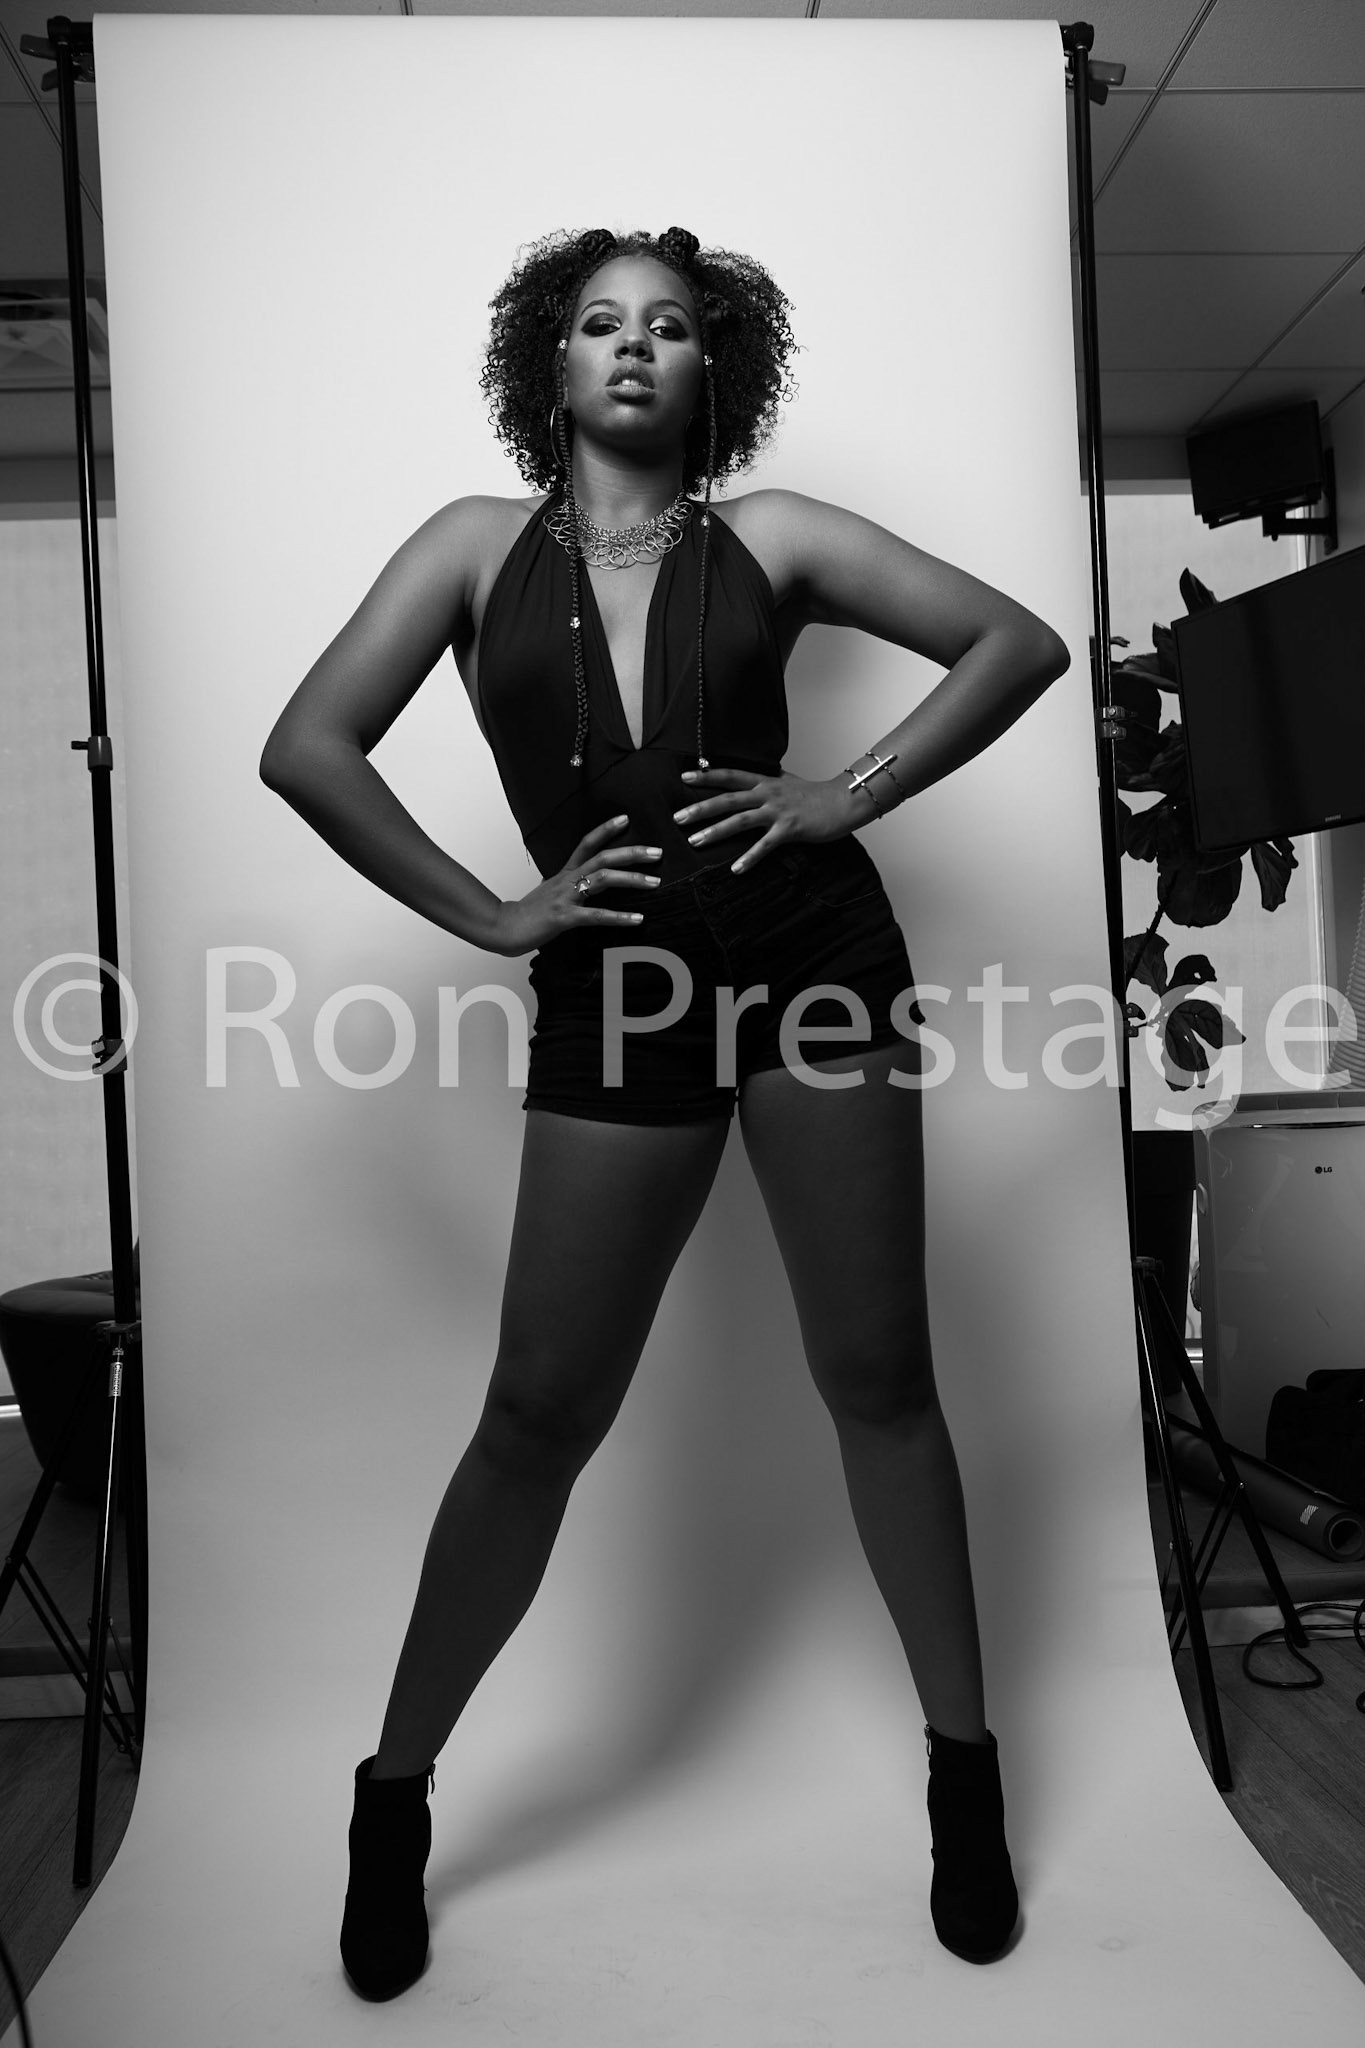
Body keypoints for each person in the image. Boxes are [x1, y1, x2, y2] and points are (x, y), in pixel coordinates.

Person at [259, 224, 1070, 2001]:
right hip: (614, 992)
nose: (634, 346)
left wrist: (846, 790)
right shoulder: (466, 550)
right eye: (599, 322)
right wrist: (494, 915)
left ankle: (964, 1776)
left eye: (672, 327)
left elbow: (1016, 644)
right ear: (547, 365)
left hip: (814, 968)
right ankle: (392, 1795)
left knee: (879, 1380)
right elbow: (305, 746)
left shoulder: (774, 537)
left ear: (717, 369)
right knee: (536, 1412)